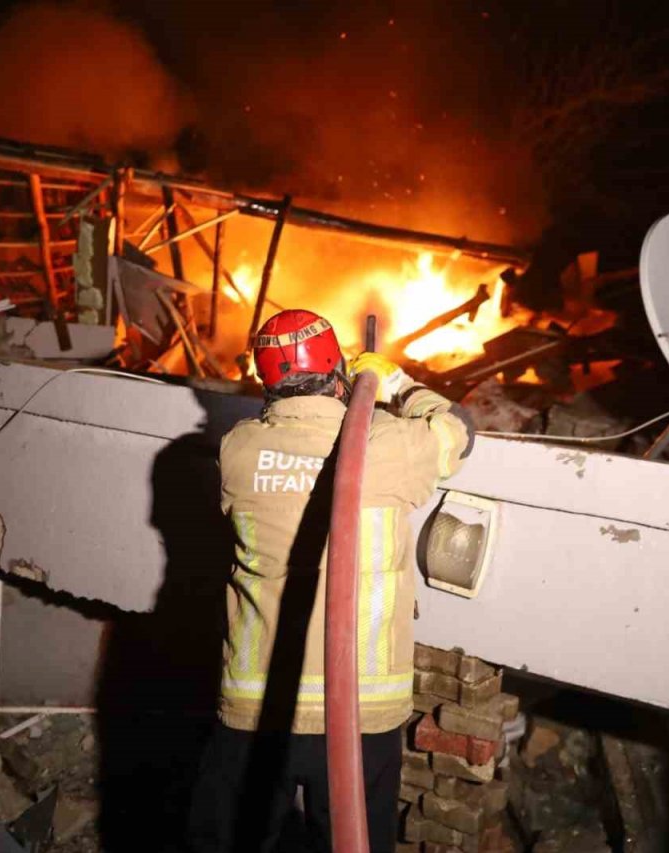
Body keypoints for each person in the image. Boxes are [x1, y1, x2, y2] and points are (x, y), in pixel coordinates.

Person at [187, 309, 475, 853]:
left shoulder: (239, 450)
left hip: (256, 710)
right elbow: (461, 429)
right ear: (338, 371)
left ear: (265, 379)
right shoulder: (390, 444)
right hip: (361, 716)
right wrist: (395, 382)